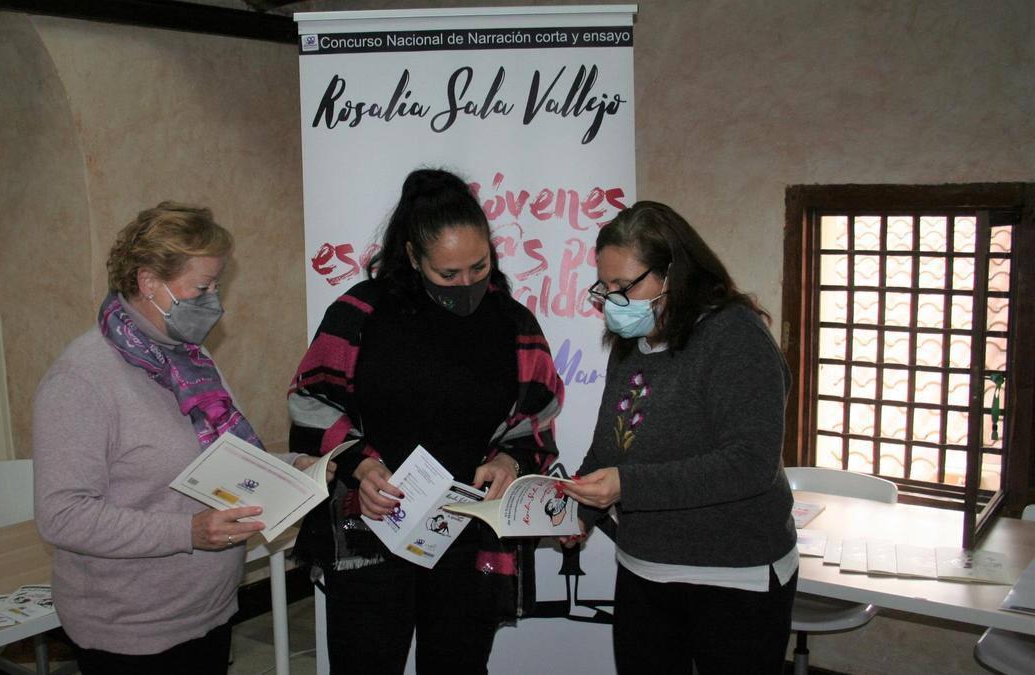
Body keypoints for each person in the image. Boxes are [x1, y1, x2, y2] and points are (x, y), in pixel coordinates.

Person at [287, 168, 565, 674]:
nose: (468, 285)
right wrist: (358, 466)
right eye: (448, 274)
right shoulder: (360, 314)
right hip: (370, 528)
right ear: (413, 257)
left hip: (466, 537)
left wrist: (509, 459)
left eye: (480, 267)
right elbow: (312, 401)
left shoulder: (514, 325)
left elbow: (536, 421)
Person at [33, 202, 328, 675]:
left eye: (217, 285)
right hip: (131, 628)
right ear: (150, 283)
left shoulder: (189, 358)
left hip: (207, 609)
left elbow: (222, 455)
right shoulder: (81, 380)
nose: (215, 301)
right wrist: (186, 533)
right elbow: (63, 516)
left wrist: (292, 464)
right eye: (203, 288)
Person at [561, 201, 797, 674]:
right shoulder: (632, 342)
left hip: (735, 577)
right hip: (644, 568)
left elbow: (750, 463)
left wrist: (628, 486)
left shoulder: (735, 337)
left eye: (623, 286)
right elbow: (611, 447)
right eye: (603, 288)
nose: (610, 301)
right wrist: (577, 511)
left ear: (673, 273)